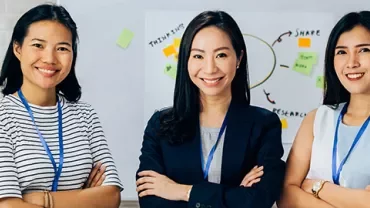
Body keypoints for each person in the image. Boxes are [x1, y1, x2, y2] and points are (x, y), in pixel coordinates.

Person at [136, 10, 286, 208]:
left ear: (239, 58)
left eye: (221, 55)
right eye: (198, 56)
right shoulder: (160, 125)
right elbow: (151, 201)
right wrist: (235, 194)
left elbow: (258, 200)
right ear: (186, 60)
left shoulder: (264, 125)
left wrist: (182, 191)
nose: (209, 68)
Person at [0, 3, 123, 208]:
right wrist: (83, 197)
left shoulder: (85, 115)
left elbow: (110, 197)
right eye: (38, 45)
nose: (50, 58)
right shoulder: (3, 117)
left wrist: (41, 199)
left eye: (62, 48)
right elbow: (8, 205)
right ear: (18, 49)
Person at [278, 11, 370, 208]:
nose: (352, 63)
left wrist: (318, 188)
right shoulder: (317, 119)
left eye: (364, 50)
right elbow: (286, 194)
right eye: (342, 52)